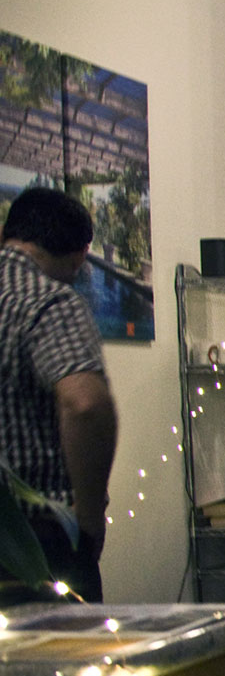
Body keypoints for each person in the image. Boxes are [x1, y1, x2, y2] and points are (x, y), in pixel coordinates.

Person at [0, 187, 116, 603]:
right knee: (68, 665)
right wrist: (88, 519)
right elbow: (86, 404)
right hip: (36, 544)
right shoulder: (49, 300)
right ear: (79, 255)